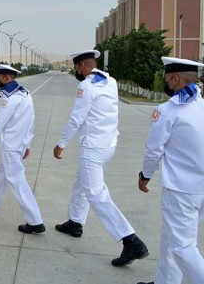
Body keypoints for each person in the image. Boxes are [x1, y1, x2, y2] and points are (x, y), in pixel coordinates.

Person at [53, 49, 148, 267]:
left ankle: (130, 240)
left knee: (95, 193)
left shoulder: (85, 86)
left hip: (93, 147)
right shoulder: (110, 81)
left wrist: (61, 144)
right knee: (82, 182)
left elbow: (77, 118)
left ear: (82, 67)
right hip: (108, 145)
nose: (77, 71)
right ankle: (75, 222)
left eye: (77, 68)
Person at [137, 57, 204, 284]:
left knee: (182, 246)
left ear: (175, 80)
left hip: (181, 190)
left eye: (166, 79)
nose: (165, 83)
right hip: (200, 190)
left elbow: (153, 150)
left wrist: (145, 175)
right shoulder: (201, 106)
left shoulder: (168, 110)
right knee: (172, 238)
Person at [0, 64, 45, 234]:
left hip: (11, 146)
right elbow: (31, 120)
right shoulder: (25, 94)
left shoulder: (9, 97)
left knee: (17, 181)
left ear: (6, 77)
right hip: (19, 145)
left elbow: (0, 122)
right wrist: (27, 144)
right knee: (3, 174)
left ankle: (35, 221)